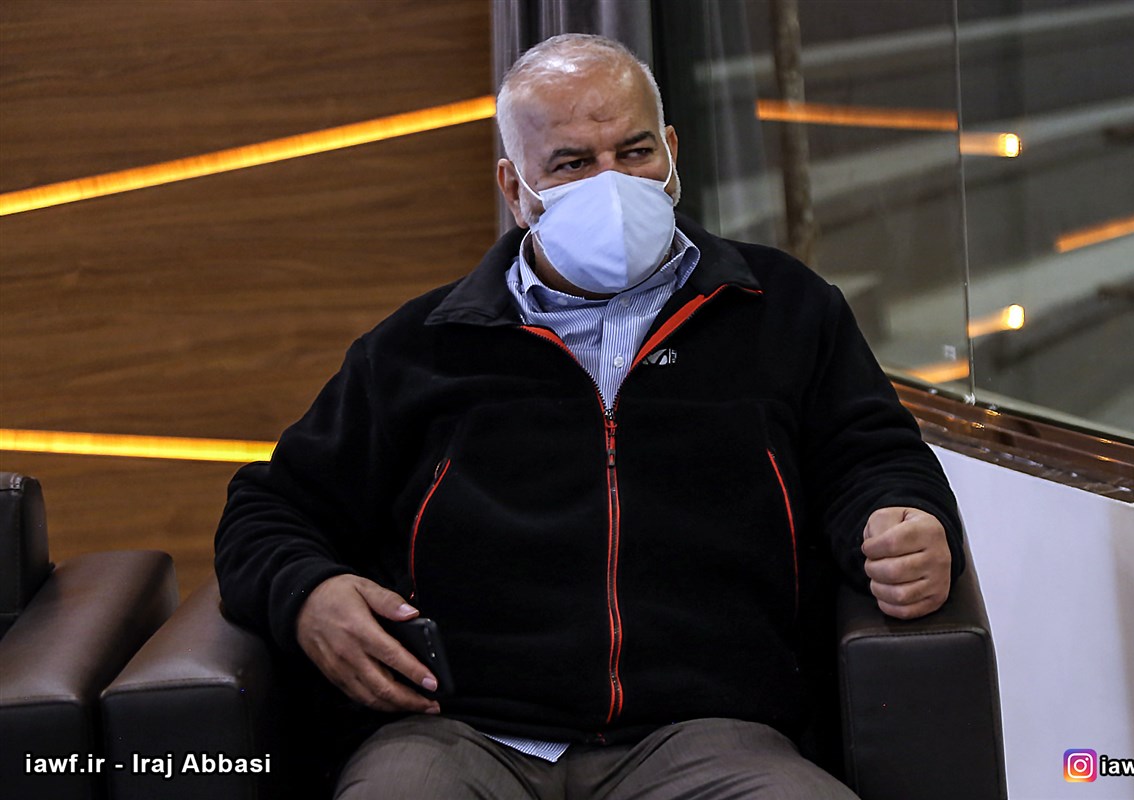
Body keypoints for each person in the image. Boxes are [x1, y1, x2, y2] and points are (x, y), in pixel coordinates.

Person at [215, 33, 963, 799]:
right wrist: (306, 593)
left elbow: (872, 455)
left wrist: (903, 517)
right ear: (515, 189)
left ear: (672, 155)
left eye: (634, 152)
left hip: (712, 730)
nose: (612, 184)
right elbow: (269, 509)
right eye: (572, 164)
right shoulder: (420, 349)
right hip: (459, 732)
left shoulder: (782, 310)